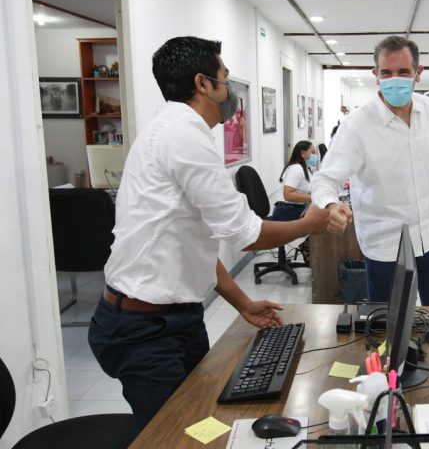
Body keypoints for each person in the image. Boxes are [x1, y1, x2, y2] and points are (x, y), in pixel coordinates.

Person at [87, 36, 330, 429]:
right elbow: (244, 233)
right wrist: (311, 224)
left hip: (177, 317)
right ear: (203, 84)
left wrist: (243, 303)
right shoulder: (182, 135)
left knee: (204, 420)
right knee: (174, 433)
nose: (230, 91)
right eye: (225, 79)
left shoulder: (176, 130)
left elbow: (192, 242)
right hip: (142, 329)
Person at [311, 35, 429, 390]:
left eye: (403, 71)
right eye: (386, 72)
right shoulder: (358, 124)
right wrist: (331, 205)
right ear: (375, 74)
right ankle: (388, 380)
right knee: (385, 319)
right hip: (384, 241)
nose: (395, 79)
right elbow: (325, 178)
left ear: (419, 72)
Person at [273, 140, 316, 221]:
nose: (314, 156)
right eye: (312, 152)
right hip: (286, 211)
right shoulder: (296, 168)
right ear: (303, 153)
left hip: (294, 208)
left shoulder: (305, 168)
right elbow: (288, 195)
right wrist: (313, 197)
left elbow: (309, 189)